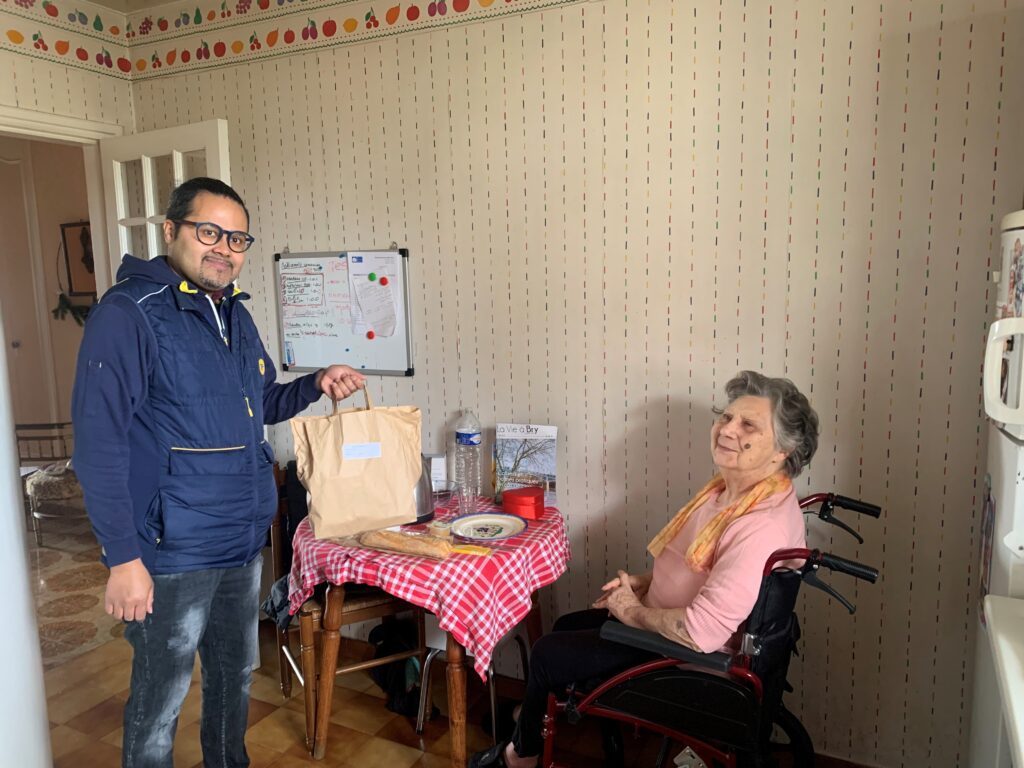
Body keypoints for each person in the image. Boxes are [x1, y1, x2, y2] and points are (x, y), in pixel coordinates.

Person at [71, 177, 366, 768]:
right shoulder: (127, 313)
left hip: (239, 538)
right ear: (171, 230)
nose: (224, 248)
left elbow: (262, 403)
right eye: (209, 231)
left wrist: (313, 384)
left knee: (234, 679)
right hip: (171, 549)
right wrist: (123, 560)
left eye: (236, 238)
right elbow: (97, 447)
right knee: (162, 696)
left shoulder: (232, 314)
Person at [470, 370, 819, 768]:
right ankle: (532, 720)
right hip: (670, 628)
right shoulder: (730, 493)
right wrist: (642, 583)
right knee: (567, 624)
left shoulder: (758, 525)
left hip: (687, 657)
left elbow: (701, 632)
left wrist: (629, 610)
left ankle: (522, 753)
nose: (727, 429)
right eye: (726, 417)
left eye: (748, 424)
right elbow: (699, 569)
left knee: (550, 652)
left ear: (782, 452)